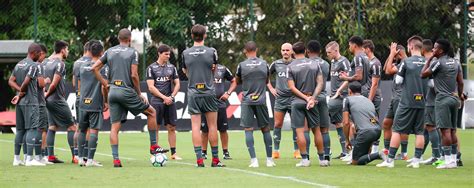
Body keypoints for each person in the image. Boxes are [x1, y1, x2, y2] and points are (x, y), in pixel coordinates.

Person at [91, 28, 168, 168]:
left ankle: (116, 160)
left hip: (113, 91)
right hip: (126, 91)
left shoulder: (110, 51)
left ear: (119, 38)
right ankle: (153, 146)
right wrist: (139, 93)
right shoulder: (132, 52)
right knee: (152, 112)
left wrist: (106, 84)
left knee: (115, 127)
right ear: (129, 38)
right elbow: (134, 75)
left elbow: (94, 68)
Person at [377, 36, 427, 168]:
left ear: (410, 47)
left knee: (397, 130)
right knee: (419, 132)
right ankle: (416, 161)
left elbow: (398, 80)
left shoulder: (406, 62)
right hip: (422, 101)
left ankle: (390, 160)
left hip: (406, 100)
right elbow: (432, 83)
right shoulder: (427, 62)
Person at [181, 24, 225, 167]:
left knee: (195, 126)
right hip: (209, 92)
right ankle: (215, 160)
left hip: (193, 92)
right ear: (204, 35)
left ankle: (199, 160)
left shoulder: (185, 53)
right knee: (212, 126)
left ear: (192, 36)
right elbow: (214, 68)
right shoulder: (211, 51)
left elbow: (185, 71)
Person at [421, 39, 464, 169]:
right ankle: (454, 159)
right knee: (452, 131)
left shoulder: (438, 62)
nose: (433, 50)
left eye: (435, 48)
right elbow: (460, 82)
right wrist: (460, 95)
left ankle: (447, 160)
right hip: (454, 98)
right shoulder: (456, 63)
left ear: (440, 50)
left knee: (444, 131)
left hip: (442, 100)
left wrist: (429, 60)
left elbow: (423, 74)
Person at [235, 41, 274, 168]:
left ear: (245, 51)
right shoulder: (265, 64)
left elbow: (238, 81)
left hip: (247, 101)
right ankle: (269, 160)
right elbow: (267, 81)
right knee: (266, 129)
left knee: (248, 129)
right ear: (256, 50)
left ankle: (254, 160)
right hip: (262, 100)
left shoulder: (241, 65)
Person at [287, 42, 324, 167]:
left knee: (300, 131)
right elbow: (320, 83)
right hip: (312, 101)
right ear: (305, 51)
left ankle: (304, 160)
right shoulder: (315, 63)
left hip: (298, 101)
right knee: (317, 130)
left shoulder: (290, 66)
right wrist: (311, 98)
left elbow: (292, 87)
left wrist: (304, 98)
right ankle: (322, 159)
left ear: (293, 52)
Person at [9, 43, 44, 166]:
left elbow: (10, 81)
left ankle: (17, 159)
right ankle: (29, 159)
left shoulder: (19, 64)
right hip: (31, 102)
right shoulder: (33, 65)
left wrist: (19, 94)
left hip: (20, 103)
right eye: (39, 54)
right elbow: (26, 82)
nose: (40, 56)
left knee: (20, 130)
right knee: (32, 129)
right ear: (33, 53)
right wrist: (22, 91)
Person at [44, 40, 77, 164]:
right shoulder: (60, 64)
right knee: (72, 126)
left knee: (52, 126)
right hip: (57, 99)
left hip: (48, 100)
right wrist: (47, 94)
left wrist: (44, 95)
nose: (68, 52)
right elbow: (54, 83)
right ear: (62, 50)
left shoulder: (46, 61)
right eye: (67, 49)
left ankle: (50, 156)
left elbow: (43, 81)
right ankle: (75, 156)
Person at [146, 44, 182, 160]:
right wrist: (163, 97)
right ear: (159, 54)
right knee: (155, 127)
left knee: (171, 127)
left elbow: (177, 84)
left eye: (169, 54)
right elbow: (151, 87)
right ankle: (154, 151)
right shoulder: (151, 68)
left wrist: (171, 97)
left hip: (170, 101)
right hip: (156, 101)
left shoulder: (172, 67)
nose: (168, 56)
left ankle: (174, 153)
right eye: (166, 54)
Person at [77, 40, 108, 167]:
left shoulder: (82, 66)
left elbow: (79, 84)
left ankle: (80, 158)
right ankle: (90, 160)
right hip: (95, 102)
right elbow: (104, 86)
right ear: (101, 52)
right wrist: (105, 101)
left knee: (82, 130)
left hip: (83, 102)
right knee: (94, 131)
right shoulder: (103, 67)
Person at [267, 43, 300, 159]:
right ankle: (276, 151)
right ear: (281, 51)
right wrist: (271, 88)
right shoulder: (276, 64)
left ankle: (297, 151)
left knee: (296, 125)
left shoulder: (296, 63)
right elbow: (266, 75)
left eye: (287, 50)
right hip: (280, 99)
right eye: (283, 50)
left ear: (292, 52)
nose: (285, 52)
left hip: (294, 98)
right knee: (277, 124)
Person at [200, 62, 237, 160]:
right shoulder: (202, 69)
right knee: (204, 130)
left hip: (220, 103)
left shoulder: (223, 68)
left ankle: (225, 152)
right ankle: (203, 152)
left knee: (223, 129)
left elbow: (234, 81)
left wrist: (228, 93)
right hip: (206, 103)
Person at [343, 82, 384, 165]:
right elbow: (375, 118)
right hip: (377, 130)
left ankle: (379, 154)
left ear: (349, 91)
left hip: (365, 132)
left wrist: (347, 140)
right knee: (364, 155)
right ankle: (373, 155)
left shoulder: (347, 99)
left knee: (355, 162)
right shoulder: (368, 100)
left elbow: (346, 122)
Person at [325, 41, 351, 159]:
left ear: (336, 51)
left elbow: (349, 78)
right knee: (338, 123)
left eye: (329, 52)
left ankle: (326, 149)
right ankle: (345, 151)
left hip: (342, 97)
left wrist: (339, 91)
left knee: (321, 114)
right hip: (334, 96)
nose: (328, 55)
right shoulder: (332, 61)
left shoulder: (344, 61)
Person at [382, 43, 408, 157]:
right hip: (394, 98)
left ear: (399, 53)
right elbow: (385, 68)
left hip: (401, 97)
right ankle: (387, 150)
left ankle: (404, 153)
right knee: (386, 123)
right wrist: (391, 54)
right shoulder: (398, 62)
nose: (394, 57)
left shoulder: (404, 63)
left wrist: (392, 53)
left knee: (400, 126)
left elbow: (388, 71)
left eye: (395, 54)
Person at [307, 40, 330, 166]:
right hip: (322, 97)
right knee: (324, 130)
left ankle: (306, 157)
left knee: (310, 129)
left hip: (311, 98)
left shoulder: (307, 63)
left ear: (308, 51)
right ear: (320, 51)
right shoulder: (326, 64)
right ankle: (326, 157)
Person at [419, 39, 442, 165]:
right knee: (428, 127)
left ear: (423, 50)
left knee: (431, 126)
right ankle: (422, 155)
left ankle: (437, 155)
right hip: (433, 100)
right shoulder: (436, 61)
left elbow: (433, 83)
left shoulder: (433, 62)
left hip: (432, 101)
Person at [72, 42, 92, 164]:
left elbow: (75, 83)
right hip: (89, 98)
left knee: (79, 128)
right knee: (89, 129)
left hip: (78, 97)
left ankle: (76, 155)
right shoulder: (92, 63)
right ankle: (86, 157)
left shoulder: (76, 63)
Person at [36, 44, 52, 164]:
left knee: (32, 128)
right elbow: (41, 84)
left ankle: (28, 156)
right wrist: (46, 81)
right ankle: (41, 156)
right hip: (39, 102)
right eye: (44, 56)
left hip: (30, 101)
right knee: (43, 128)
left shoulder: (24, 64)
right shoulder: (38, 66)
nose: (43, 59)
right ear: (40, 53)